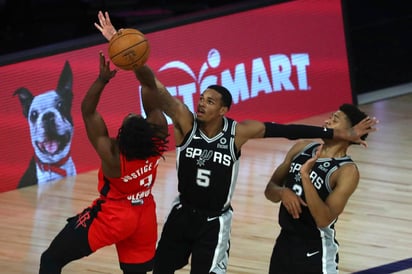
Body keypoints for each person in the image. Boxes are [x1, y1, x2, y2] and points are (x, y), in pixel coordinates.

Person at [95, 11, 378, 274]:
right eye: (201, 98)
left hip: (214, 222)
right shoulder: (186, 122)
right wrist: (129, 52)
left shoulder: (239, 132)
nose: (201, 104)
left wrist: (330, 134)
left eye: (210, 101)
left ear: (223, 110)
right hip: (182, 215)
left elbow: (285, 130)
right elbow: (155, 87)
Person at [38, 51, 169, 274]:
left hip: (114, 216)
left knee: (51, 258)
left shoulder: (112, 156)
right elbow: (150, 86)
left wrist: (102, 79)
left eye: (129, 119)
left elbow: (87, 112)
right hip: (144, 213)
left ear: (121, 138)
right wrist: (135, 61)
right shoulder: (156, 140)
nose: (131, 113)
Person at [264, 104, 370, 274]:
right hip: (284, 243)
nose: (327, 121)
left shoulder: (346, 171)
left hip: (315, 250)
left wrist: (305, 176)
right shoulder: (302, 148)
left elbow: (324, 219)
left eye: (335, 120)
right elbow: (270, 190)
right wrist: (283, 192)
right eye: (330, 117)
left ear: (349, 133)